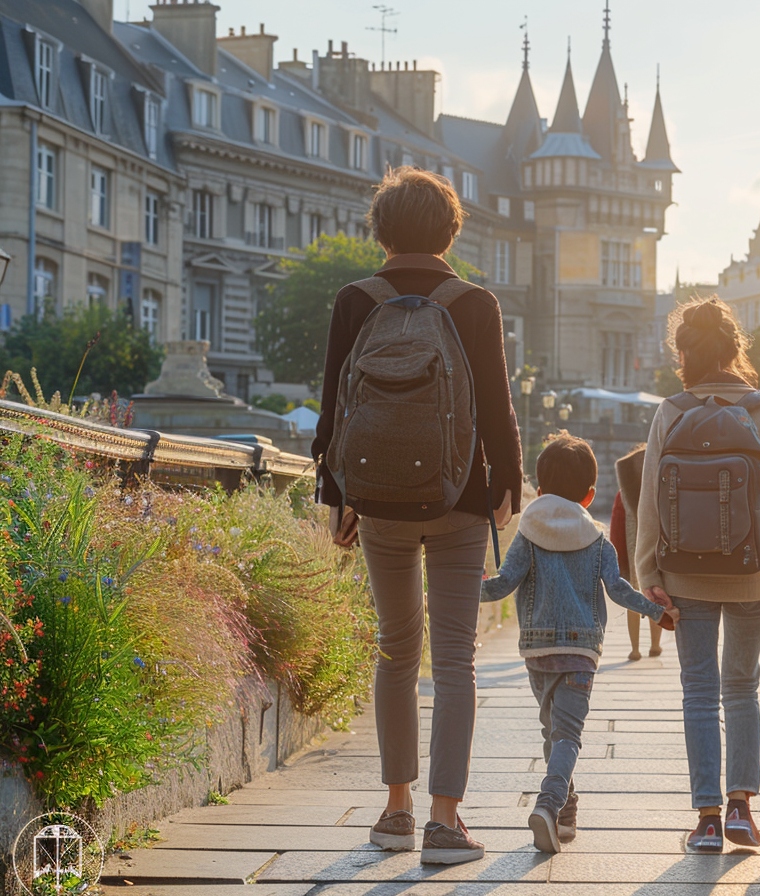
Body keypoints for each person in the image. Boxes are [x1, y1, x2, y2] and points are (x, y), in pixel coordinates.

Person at [312, 167, 522, 865]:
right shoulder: (474, 303)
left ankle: (395, 811)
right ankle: (445, 822)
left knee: (396, 650)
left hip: (377, 502)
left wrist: (336, 493)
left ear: (381, 229)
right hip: (458, 498)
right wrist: (506, 483)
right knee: (454, 658)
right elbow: (495, 404)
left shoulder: (355, 299)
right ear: (450, 229)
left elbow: (334, 403)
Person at [634, 297, 760, 852]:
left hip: (684, 575)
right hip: (754, 572)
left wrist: (648, 574)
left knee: (699, 691)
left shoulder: (671, 411)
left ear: (684, 353)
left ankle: (706, 820)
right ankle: (741, 812)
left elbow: (650, 505)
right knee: (742, 688)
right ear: (736, 348)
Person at [482, 433, 676, 853]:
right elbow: (619, 590)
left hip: (536, 652)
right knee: (568, 735)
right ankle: (549, 805)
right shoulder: (598, 539)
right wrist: (657, 611)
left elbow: (502, 585)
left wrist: (464, 586)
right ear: (589, 495)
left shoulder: (528, 532)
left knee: (552, 730)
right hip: (581, 653)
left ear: (540, 483)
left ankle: (566, 810)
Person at [611, 444, 661, 661]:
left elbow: (616, 527)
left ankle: (635, 648)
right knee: (657, 595)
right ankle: (655, 645)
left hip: (633, 554)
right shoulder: (660, 490)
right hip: (658, 553)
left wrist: (617, 557)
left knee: (633, 595)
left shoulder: (623, 494)